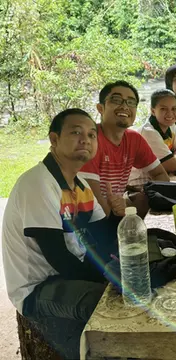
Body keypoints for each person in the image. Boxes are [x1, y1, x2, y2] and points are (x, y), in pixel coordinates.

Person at [2, 109, 119, 358]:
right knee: (106, 302)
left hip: (67, 272)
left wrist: (119, 215)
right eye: (75, 132)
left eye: (91, 134)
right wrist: (108, 279)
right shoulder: (38, 183)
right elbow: (58, 257)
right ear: (54, 139)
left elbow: (103, 235)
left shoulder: (80, 185)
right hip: (37, 288)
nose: (85, 139)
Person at [79, 80, 170, 217]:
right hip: (83, 218)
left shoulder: (134, 139)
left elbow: (162, 176)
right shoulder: (89, 141)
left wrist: (144, 195)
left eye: (131, 102)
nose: (125, 106)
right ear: (100, 108)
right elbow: (94, 205)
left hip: (115, 210)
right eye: (116, 100)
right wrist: (123, 209)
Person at [129, 89, 176, 186]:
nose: (170, 114)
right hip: (139, 185)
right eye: (163, 109)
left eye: (174, 109)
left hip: (159, 180)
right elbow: (172, 165)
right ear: (153, 111)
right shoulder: (148, 132)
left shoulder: (171, 125)